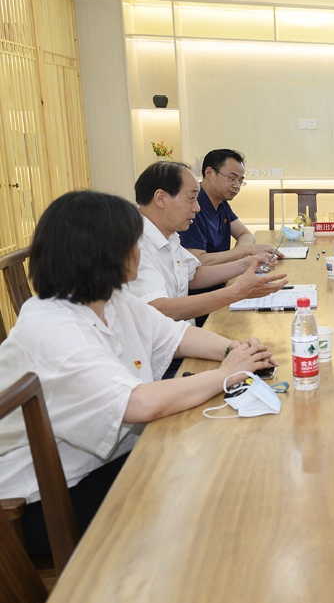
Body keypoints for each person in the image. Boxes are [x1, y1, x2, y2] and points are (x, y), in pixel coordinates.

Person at [0, 191, 278, 555]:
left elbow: (177, 336)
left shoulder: (110, 300)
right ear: (102, 253)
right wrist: (227, 373)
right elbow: (138, 404)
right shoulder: (52, 328)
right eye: (132, 244)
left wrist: (235, 351)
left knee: (220, 463)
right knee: (210, 498)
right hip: (46, 500)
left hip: (104, 462)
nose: (139, 252)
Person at [125, 161, 287, 325]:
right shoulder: (133, 245)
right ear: (161, 198)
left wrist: (246, 264)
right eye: (191, 198)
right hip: (169, 339)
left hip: (183, 334)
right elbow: (160, 309)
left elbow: (193, 275)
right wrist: (236, 292)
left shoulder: (170, 236)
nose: (197, 208)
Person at [179, 148, 277, 267]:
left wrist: (243, 250)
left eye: (240, 181)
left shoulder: (221, 203)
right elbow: (197, 261)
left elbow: (245, 234)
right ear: (209, 173)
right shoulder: (193, 207)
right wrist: (243, 251)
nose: (237, 186)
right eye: (231, 178)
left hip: (224, 274)